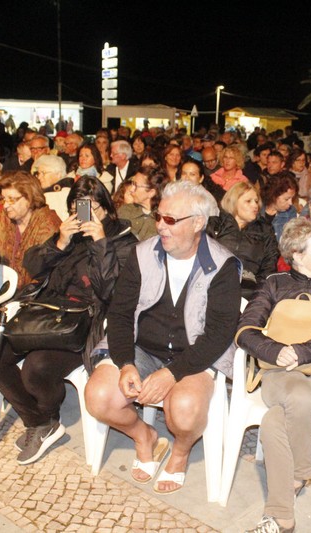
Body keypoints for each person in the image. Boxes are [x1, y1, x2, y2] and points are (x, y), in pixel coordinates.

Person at [84, 181, 241, 495]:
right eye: (159, 216)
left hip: (195, 355)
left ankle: (180, 451)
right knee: (98, 396)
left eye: (170, 219)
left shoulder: (222, 265)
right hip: (143, 348)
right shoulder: (142, 254)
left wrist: (172, 373)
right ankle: (144, 435)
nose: (160, 226)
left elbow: (219, 334)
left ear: (197, 223)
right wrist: (126, 363)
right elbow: (120, 313)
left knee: (183, 410)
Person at [0, 175, 137, 465]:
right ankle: (41, 422)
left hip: (85, 324)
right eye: (77, 210)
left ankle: (44, 418)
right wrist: (61, 241)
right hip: (48, 312)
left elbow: (112, 292)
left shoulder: (124, 240)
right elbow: (32, 266)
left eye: (92, 208)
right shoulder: (70, 235)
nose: (85, 216)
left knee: (37, 368)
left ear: (106, 208)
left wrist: (101, 242)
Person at [238, 217, 311, 533]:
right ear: (298, 254)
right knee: (298, 395)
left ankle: (281, 516)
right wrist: (276, 350)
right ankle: (302, 470)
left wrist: (303, 351)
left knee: (273, 421)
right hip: (278, 374)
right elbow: (245, 330)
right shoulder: (274, 283)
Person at [206, 182, 279, 299]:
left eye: (256, 201)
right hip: (214, 285)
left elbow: (269, 267)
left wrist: (259, 294)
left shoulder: (265, 229)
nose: (255, 205)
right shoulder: (216, 225)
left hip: (248, 290)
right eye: (248, 201)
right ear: (233, 202)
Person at [0, 171, 62, 287]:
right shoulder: (2, 219)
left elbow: (44, 271)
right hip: (0, 288)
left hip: (37, 291)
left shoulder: (48, 223)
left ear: (29, 198)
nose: (5, 205)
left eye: (11, 199)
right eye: (3, 199)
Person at [117, 167, 166, 242]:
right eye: (132, 183)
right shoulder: (124, 211)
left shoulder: (162, 220)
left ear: (151, 193)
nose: (131, 189)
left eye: (136, 185)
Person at [32, 154, 72, 221]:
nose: (39, 177)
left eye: (43, 173)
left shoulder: (60, 194)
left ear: (58, 174)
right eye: (38, 173)